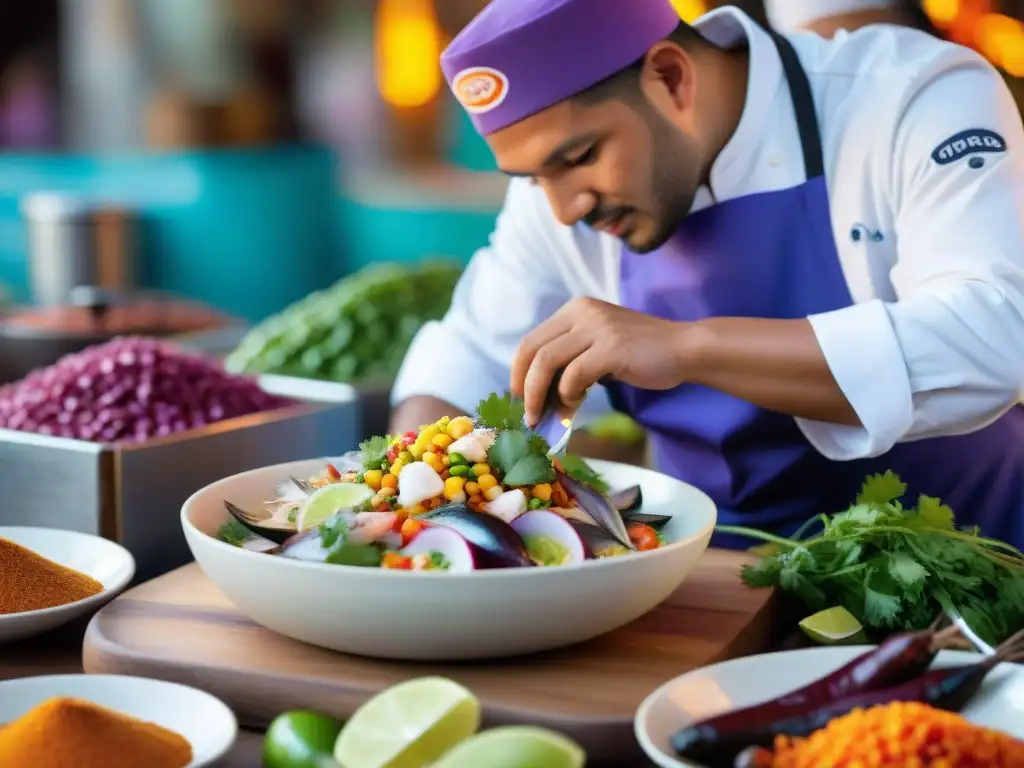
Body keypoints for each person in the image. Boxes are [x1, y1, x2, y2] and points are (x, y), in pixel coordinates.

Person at [389, 0, 1024, 549]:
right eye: (532, 178)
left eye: (580, 157)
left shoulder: (913, 94)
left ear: (671, 76)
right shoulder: (556, 201)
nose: (564, 209)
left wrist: (685, 347)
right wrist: (407, 495)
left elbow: (996, 332)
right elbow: (468, 356)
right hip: (718, 588)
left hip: (970, 571)